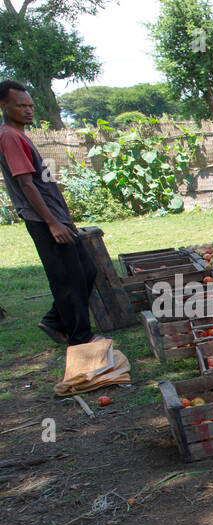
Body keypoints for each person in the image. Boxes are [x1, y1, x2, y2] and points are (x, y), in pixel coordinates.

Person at [0, 80, 97, 346]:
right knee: (69, 278)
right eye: (21, 106)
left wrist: (64, 218)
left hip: (54, 217)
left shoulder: (19, 135)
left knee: (85, 271)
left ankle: (55, 321)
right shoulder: (9, 136)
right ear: (3, 105)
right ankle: (80, 338)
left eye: (30, 105)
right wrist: (53, 223)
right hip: (42, 219)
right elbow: (26, 184)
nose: (28, 110)